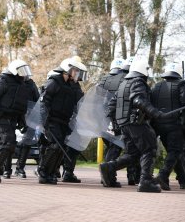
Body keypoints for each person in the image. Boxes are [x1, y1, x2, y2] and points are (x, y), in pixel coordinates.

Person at [100, 58, 170, 193]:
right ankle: (145, 182)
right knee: (149, 149)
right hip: (136, 123)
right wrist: (155, 113)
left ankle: (109, 167)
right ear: (143, 69)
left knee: (132, 154)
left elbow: (111, 105)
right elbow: (138, 100)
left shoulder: (123, 83)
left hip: (124, 125)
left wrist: (115, 123)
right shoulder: (138, 82)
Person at [37, 57, 87, 185]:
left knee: (61, 147)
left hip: (64, 121)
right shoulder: (53, 82)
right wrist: (45, 123)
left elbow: (79, 102)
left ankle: (51, 172)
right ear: (67, 70)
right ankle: (43, 171)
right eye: (75, 71)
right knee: (54, 145)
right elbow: (44, 103)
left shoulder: (72, 86)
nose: (77, 74)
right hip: (52, 120)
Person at [0, 59, 32, 183]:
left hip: (13, 118)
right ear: (14, 71)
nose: (24, 74)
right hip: (1, 117)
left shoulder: (22, 85)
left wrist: (22, 122)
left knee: (8, 145)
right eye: (21, 70)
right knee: (7, 142)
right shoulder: (3, 81)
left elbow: (21, 106)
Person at [97, 57, 141, 185]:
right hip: (121, 120)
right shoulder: (129, 80)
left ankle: (106, 176)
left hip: (104, 120)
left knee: (113, 148)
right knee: (126, 148)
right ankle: (125, 177)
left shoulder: (107, 79)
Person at [151, 62, 185, 190]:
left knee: (173, 153)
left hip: (158, 125)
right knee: (175, 151)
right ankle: (163, 175)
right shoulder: (181, 85)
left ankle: (183, 180)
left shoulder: (156, 86)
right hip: (174, 125)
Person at [3, 75, 40, 179]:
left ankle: (20, 168)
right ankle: (6, 168)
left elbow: (36, 100)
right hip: (12, 114)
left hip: (28, 115)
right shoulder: (9, 81)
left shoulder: (31, 84)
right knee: (8, 141)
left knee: (27, 142)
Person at [62, 55, 88, 183]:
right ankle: (50, 170)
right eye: (76, 70)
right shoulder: (64, 83)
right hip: (65, 120)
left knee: (74, 147)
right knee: (60, 147)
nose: (78, 74)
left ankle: (68, 172)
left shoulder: (76, 85)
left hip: (75, 121)